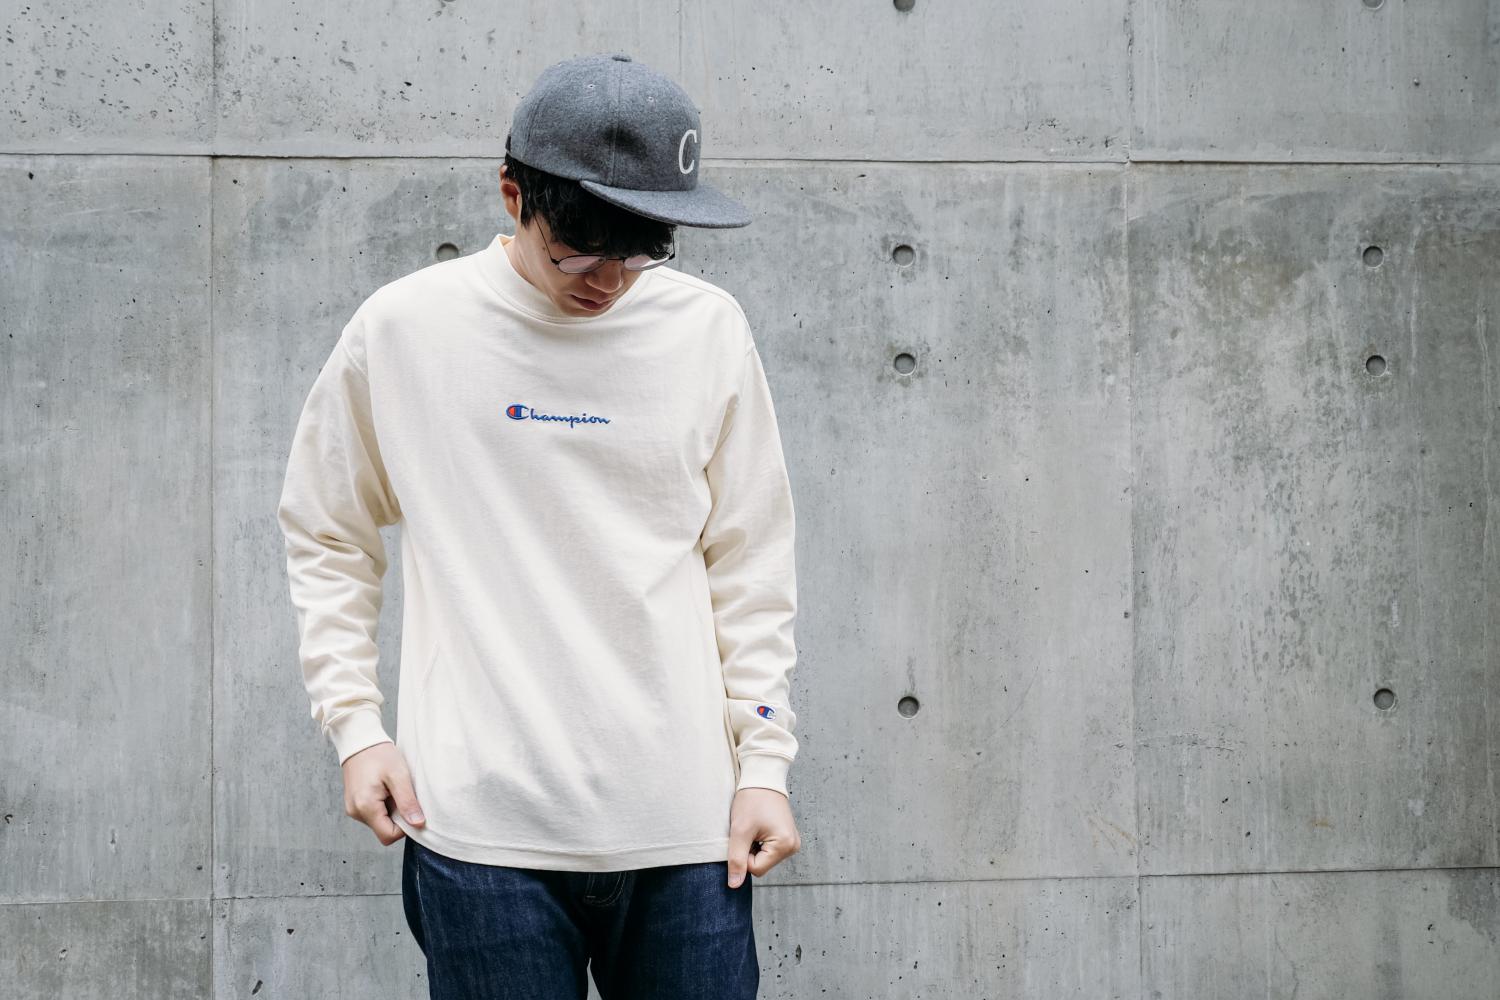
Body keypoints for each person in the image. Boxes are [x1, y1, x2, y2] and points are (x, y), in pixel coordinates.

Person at [275, 52, 801, 999]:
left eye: (639, 253)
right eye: (579, 252)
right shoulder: (405, 331)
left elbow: (751, 562)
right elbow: (327, 531)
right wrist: (355, 727)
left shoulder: (707, 331)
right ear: (513, 195)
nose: (610, 281)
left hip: (688, 830)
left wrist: (764, 763)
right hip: (481, 836)